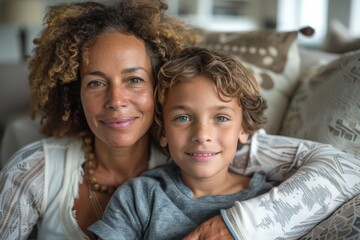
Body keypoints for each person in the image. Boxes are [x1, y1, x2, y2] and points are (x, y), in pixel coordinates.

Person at [0, 1, 359, 240]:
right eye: (95, 83)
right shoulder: (35, 172)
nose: (116, 100)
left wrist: (235, 226)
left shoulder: (237, 156)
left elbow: (346, 169)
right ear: (73, 92)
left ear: (158, 93)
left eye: (134, 79)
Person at [88, 47, 279, 239]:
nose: (202, 135)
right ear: (163, 131)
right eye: (183, 118)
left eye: (221, 118)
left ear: (244, 128)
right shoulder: (140, 197)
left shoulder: (270, 200)